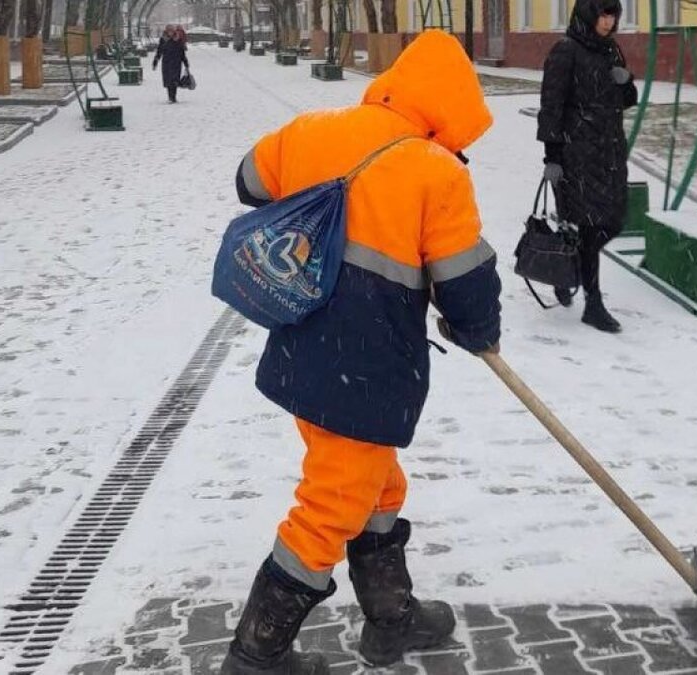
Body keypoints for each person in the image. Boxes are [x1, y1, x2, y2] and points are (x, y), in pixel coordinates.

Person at [222, 29, 502, 675]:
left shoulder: (313, 128)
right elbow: (465, 288)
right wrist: (480, 332)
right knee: (331, 505)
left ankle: (390, 619)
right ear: (451, 106)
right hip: (365, 372)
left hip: (303, 353)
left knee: (376, 483)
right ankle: (256, 655)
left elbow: (248, 180)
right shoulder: (436, 172)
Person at [537, 0, 638, 333]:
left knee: (614, 222)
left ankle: (567, 271)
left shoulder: (611, 50)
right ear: (588, 15)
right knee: (590, 225)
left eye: (613, 15)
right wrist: (552, 157)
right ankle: (593, 303)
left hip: (609, 153)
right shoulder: (566, 51)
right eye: (603, 15)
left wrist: (625, 83)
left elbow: (627, 101)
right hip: (575, 154)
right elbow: (551, 106)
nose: (608, 22)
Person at [152, 25, 189, 103]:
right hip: (167, 63)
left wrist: (186, 63)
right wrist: (155, 61)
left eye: (171, 31)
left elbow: (182, 52)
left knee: (175, 80)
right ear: (166, 31)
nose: (170, 32)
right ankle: (170, 97)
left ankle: (173, 97)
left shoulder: (178, 39)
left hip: (176, 62)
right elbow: (159, 51)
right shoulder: (163, 40)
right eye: (169, 31)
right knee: (168, 81)